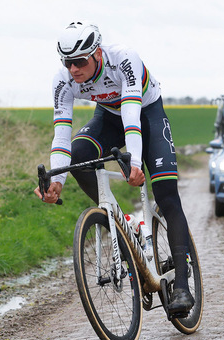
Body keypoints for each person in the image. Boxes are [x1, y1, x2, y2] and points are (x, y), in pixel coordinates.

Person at [34, 20, 195, 315]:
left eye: (80, 61)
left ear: (97, 53)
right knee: (78, 156)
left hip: (146, 114)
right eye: (67, 62)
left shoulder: (123, 59)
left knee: (166, 193)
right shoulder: (63, 80)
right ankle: (123, 222)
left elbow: (132, 113)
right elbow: (61, 134)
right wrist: (57, 182)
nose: (74, 69)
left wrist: (134, 162)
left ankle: (183, 286)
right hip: (108, 117)